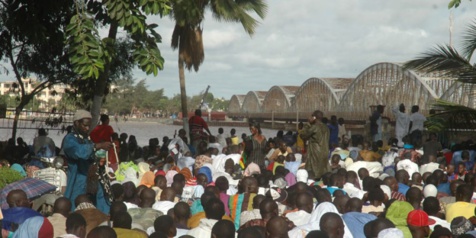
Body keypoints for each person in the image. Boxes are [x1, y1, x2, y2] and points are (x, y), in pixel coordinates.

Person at [63, 110, 112, 210]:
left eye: (89, 126)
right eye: (85, 125)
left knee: (101, 203)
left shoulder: (86, 139)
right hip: (78, 180)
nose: (87, 128)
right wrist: (98, 145)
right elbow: (79, 152)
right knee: (76, 206)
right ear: (76, 123)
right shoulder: (70, 139)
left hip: (92, 180)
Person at [300, 110, 330, 179]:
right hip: (325, 152)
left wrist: (308, 124)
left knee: (314, 172)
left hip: (316, 152)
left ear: (314, 117)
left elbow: (303, 135)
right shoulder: (326, 127)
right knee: (323, 170)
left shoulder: (314, 127)